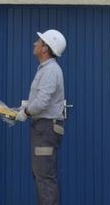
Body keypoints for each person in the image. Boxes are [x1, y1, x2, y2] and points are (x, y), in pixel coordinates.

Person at [15, 29, 67, 205]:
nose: (35, 43)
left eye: (39, 41)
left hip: (45, 129)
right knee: (42, 175)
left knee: (44, 177)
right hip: (43, 127)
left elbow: (42, 102)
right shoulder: (47, 69)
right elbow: (41, 99)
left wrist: (26, 112)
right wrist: (25, 107)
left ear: (45, 48)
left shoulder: (50, 70)